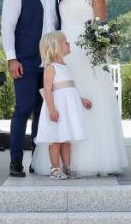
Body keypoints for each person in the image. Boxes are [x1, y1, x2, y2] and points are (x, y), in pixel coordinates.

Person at [33, 0, 126, 176]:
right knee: (64, 100)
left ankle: (91, 159)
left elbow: (101, 26)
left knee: (88, 101)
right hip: (64, 52)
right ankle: (60, 162)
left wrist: (97, 52)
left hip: (86, 53)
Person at [1, 0, 61, 177]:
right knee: (23, 110)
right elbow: (7, 26)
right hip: (25, 60)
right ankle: (16, 161)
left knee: (43, 113)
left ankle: (38, 160)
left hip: (50, 64)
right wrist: (11, 58)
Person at [34, 30, 91, 179]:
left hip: (68, 110)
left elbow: (70, 88)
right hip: (57, 109)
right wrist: (52, 110)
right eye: (65, 42)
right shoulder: (51, 68)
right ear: (56, 47)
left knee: (66, 140)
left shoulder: (66, 66)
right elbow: (47, 90)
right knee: (55, 139)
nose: (68, 44)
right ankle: (54, 169)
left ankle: (67, 168)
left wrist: (81, 99)